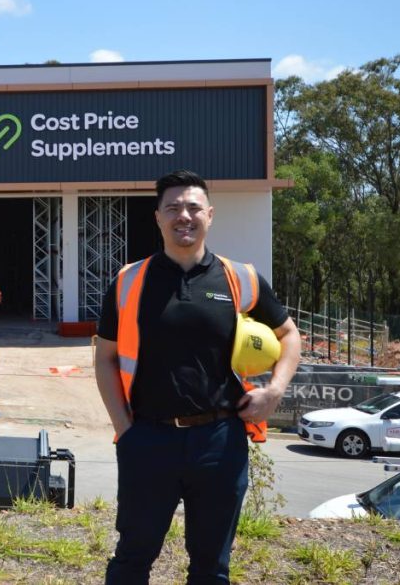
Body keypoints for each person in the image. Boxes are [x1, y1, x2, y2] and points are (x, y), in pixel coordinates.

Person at [94, 170, 300, 584]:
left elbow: (289, 334)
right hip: (148, 439)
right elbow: (104, 358)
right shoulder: (128, 281)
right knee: (132, 557)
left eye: (192, 207)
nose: (182, 216)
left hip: (219, 442)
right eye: (172, 207)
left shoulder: (240, 278)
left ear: (209, 214)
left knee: (211, 566)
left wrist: (274, 391)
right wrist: (124, 428)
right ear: (157, 217)